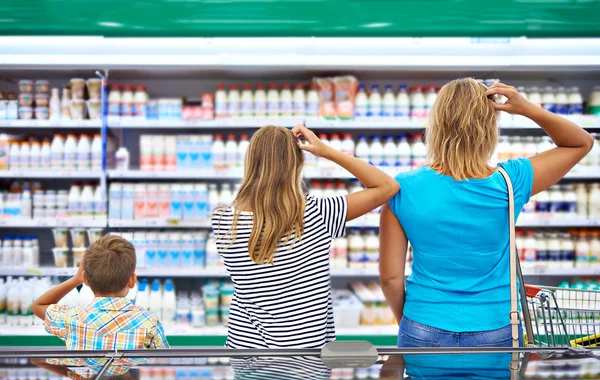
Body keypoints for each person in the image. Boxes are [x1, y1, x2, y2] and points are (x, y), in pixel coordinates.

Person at [379, 79, 594, 347]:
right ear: (489, 126)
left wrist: (412, 321)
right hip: (495, 322)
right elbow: (580, 143)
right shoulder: (511, 180)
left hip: (424, 321)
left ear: (435, 125)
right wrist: (528, 109)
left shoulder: (402, 187)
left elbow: (390, 279)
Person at [212, 124, 399, 348]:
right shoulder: (318, 213)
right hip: (305, 357)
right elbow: (388, 186)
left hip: (244, 353)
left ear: (249, 162)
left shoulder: (223, 221)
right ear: (297, 165)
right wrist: (325, 151)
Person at [32, 235, 169, 350]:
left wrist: (75, 280)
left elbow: (38, 306)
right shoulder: (150, 323)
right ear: (132, 280)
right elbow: (163, 364)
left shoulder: (72, 319)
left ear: (85, 279)